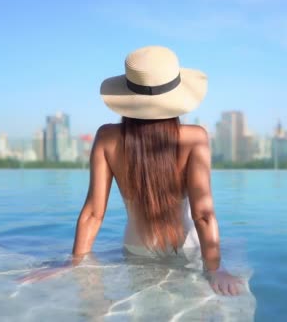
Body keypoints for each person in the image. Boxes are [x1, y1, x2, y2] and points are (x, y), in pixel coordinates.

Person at [21, 45, 243, 296]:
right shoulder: (195, 138)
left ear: (128, 96)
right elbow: (203, 214)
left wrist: (74, 262)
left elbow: (94, 213)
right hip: (187, 251)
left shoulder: (107, 137)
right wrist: (215, 269)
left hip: (134, 250)